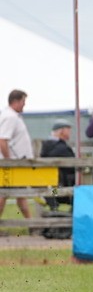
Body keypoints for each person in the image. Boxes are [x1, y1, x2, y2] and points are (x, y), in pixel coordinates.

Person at [0, 89, 35, 222]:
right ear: (15, 101)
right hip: (12, 165)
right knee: (4, 195)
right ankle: (33, 225)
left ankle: (32, 224)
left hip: (17, 165)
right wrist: (9, 160)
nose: (24, 105)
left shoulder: (12, 116)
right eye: (23, 102)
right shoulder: (10, 117)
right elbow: (2, 139)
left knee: (21, 196)